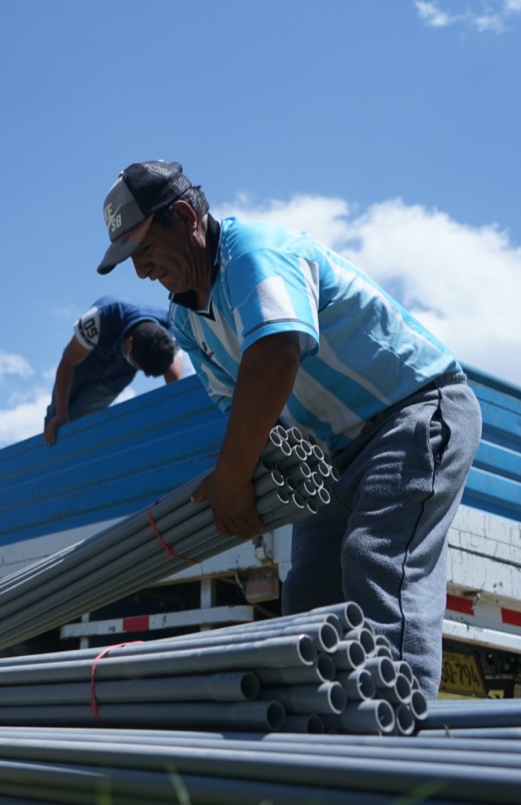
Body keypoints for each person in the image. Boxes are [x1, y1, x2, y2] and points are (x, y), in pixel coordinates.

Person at [95, 160, 482, 698]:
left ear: (184, 217)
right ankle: (318, 745)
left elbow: (276, 354)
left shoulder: (255, 253)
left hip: (412, 413)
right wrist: (242, 478)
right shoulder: (187, 320)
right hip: (337, 453)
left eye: (143, 250)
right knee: (308, 597)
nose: (142, 271)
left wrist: (231, 476)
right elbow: (248, 410)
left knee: (375, 558)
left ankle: (399, 737)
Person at [44, 295, 183, 445]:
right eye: (135, 363)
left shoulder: (170, 332)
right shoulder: (102, 316)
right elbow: (68, 363)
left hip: (113, 381)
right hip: (82, 366)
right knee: (56, 422)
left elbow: (176, 384)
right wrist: (61, 414)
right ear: (130, 342)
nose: (136, 369)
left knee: (77, 424)